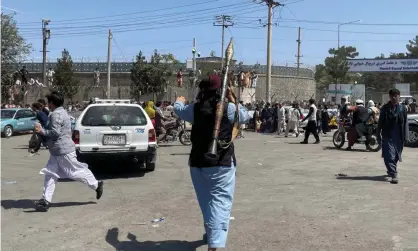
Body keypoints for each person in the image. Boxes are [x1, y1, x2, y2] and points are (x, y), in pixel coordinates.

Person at [173, 75, 250, 251]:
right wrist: (233, 99)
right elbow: (245, 116)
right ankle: (214, 245)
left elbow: (179, 109)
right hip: (221, 164)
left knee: (207, 201)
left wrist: (178, 101)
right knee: (220, 203)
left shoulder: (195, 108)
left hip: (198, 163)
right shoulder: (229, 108)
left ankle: (210, 233)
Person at [33, 91, 104, 212]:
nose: (47, 105)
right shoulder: (59, 112)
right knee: (50, 174)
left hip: (63, 151)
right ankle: (45, 201)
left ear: (52, 103)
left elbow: (55, 133)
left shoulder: (56, 114)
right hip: (57, 151)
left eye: (48, 102)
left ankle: (97, 185)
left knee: (74, 172)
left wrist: (41, 131)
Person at [377, 89, 409, 184]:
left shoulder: (402, 108)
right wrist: (378, 134)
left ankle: (391, 170)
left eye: (396, 96)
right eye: (392, 96)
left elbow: (406, 123)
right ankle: (394, 174)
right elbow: (380, 123)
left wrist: (406, 136)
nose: (394, 97)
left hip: (399, 136)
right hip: (387, 135)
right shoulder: (385, 108)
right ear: (389, 97)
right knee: (389, 155)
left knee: (396, 156)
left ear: (399, 96)